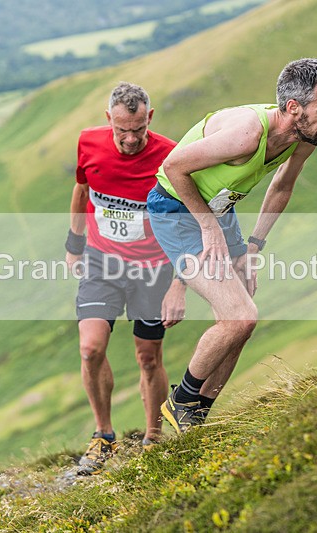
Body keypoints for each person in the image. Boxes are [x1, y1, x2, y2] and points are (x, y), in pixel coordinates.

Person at [146, 58, 317, 433]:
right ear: (292, 108)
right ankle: (180, 402)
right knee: (240, 315)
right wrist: (209, 226)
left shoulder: (305, 135)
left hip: (221, 209)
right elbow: (172, 167)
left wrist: (253, 246)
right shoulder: (245, 135)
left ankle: (198, 415)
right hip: (176, 209)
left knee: (242, 320)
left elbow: (282, 186)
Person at [65, 82, 186, 474]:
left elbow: (186, 222)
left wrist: (178, 283)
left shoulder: (171, 156)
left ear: (149, 117)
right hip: (102, 263)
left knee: (148, 358)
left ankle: (153, 438)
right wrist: (74, 243)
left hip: (153, 270)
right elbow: (82, 189)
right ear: (108, 121)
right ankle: (103, 436)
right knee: (90, 349)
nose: (131, 139)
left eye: (138, 129)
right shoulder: (89, 144)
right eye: (122, 130)